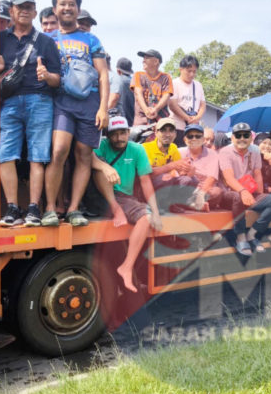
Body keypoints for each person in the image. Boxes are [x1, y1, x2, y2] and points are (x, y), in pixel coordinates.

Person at [0, 0, 62, 227]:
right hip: (10, 102)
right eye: (20, 6)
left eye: (29, 6)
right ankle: (11, 207)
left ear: (35, 12)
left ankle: (33, 209)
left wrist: (47, 75)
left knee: (38, 156)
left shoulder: (46, 42)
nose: (25, 10)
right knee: (6, 154)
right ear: (11, 11)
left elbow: (58, 80)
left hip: (39, 100)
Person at [42, 0, 110, 227]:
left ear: (77, 9)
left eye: (71, 4)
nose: (67, 7)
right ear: (55, 8)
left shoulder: (91, 39)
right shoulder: (47, 38)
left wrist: (103, 108)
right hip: (61, 101)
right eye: (63, 4)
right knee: (59, 150)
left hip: (89, 102)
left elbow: (103, 75)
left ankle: (73, 210)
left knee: (83, 155)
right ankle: (50, 208)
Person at [91, 115, 163, 292]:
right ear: (108, 135)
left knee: (147, 217)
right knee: (100, 168)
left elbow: (145, 181)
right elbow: (88, 158)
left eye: (122, 133)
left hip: (125, 198)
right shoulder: (101, 146)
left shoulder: (137, 149)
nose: (119, 138)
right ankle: (117, 210)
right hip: (100, 197)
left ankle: (126, 267)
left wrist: (156, 211)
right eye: (114, 134)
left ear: (128, 132)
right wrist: (105, 167)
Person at [218, 123, 271, 255]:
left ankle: (252, 234)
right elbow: (229, 178)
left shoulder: (255, 150)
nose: (242, 138)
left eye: (246, 135)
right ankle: (240, 237)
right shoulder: (225, 152)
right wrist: (243, 191)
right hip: (230, 193)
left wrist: (261, 197)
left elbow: (257, 174)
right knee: (238, 197)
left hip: (249, 191)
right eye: (238, 135)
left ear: (251, 138)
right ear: (232, 138)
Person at [142, 117, 197, 191]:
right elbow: (147, 174)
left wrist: (188, 170)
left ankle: (180, 201)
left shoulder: (173, 147)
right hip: (148, 186)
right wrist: (171, 166)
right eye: (163, 130)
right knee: (166, 178)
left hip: (167, 185)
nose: (167, 134)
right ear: (156, 133)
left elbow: (180, 172)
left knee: (192, 179)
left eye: (171, 131)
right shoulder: (145, 148)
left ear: (175, 134)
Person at [177, 123, 222, 210]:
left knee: (216, 192)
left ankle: (190, 204)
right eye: (190, 136)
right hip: (186, 190)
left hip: (204, 191)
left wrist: (200, 195)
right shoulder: (179, 152)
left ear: (202, 139)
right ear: (185, 139)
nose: (194, 139)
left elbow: (211, 179)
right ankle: (195, 205)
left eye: (198, 136)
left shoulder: (212, 154)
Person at [168, 55, 206, 146]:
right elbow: (173, 105)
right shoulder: (174, 83)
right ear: (181, 69)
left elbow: (203, 105)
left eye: (194, 71)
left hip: (194, 128)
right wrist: (187, 118)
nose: (192, 74)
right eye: (189, 71)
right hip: (177, 127)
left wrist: (197, 117)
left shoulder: (198, 85)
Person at [131, 49, 173, 126]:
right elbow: (138, 93)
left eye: (146, 58)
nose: (143, 61)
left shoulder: (166, 77)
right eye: (143, 58)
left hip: (160, 122)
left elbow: (166, 96)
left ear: (156, 61)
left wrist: (156, 109)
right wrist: (146, 110)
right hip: (141, 121)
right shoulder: (138, 75)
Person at [109, 57, 135, 124]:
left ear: (118, 70)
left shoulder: (117, 81)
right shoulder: (135, 82)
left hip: (121, 122)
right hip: (134, 121)